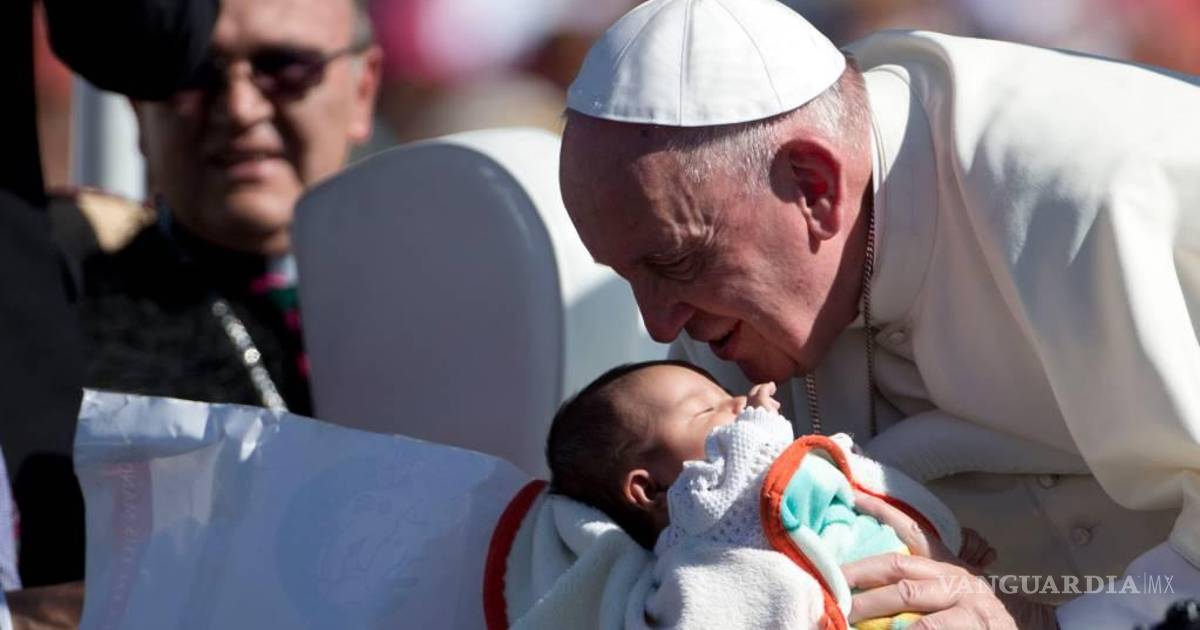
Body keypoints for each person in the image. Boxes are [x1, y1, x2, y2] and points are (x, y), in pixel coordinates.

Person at [557, 0, 1200, 626]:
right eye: (629, 274)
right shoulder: (716, 307)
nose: (660, 325)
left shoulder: (1101, 192)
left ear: (815, 187)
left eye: (673, 261)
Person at [58, 0, 382, 416]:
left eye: (285, 67)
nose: (239, 109)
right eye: (194, 72)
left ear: (362, 90)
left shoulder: (441, 304)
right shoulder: (58, 339)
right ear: (138, 108)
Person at [545, 359, 993, 628]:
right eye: (706, 409)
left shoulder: (782, 488)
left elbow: (859, 504)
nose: (739, 402)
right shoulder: (705, 538)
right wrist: (759, 425)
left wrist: (943, 537)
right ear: (652, 489)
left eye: (726, 394)